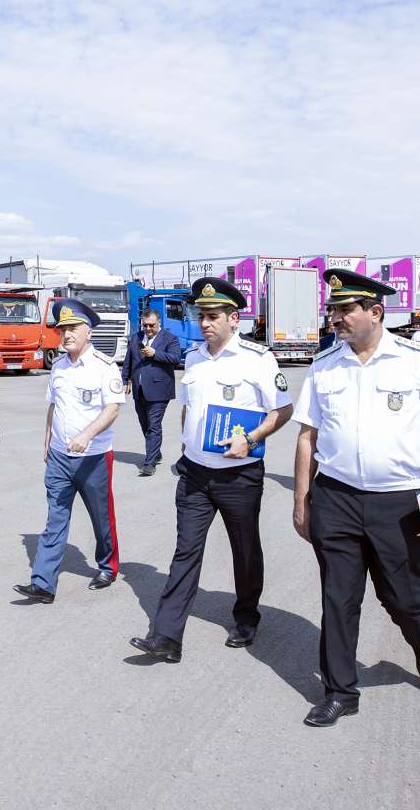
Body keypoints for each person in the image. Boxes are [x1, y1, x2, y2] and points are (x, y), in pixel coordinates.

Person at [292, 269, 420, 727]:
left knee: (401, 595)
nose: (335, 318)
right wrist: (302, 500)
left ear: (375, 311)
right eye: (332, 309)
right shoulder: (324, 365)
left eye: (345, 309)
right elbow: (307, 437)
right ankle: (340, 692)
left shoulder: (417, 361)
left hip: (398, 502)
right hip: (336, 498)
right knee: (338, 598)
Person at [129, 278, 293, 663]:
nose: (204, 322)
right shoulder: (194, 358)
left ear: (234, 319)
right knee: (185, 551)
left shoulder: (257, 359)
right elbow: (188, 408)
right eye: (201, 315)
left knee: (244, 550)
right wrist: (186, 447)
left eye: (213, 316)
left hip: (239, 475)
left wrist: (250, 439)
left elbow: (282, 409)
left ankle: (246, 617)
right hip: (195, 474)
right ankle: (166, 636)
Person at [14, 300, 125, 603]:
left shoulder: (104, 366)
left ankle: (108, 566)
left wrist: (87, 434)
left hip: (94, 458)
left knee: (101, 518)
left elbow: (113, 409)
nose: (66, 334)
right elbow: (54, 406)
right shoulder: (59, 366)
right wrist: (47, 440)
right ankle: (43, 583)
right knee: (55, 519)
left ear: (89, 332)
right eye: (63, 329)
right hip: (60, 458)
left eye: (73, 328)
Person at [121, 308, 182, 476]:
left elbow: (176, 358)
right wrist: (125, 380)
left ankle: (149, 463)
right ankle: (156, 452)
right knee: (145, 424)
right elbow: (128, 360)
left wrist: (156, 354)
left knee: (153, 425)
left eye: (151, 325)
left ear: (159, 323)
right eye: (145, 325)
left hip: (160, 389)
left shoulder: (170, 338)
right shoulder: (136, 338)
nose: (148, 329)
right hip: (139, 389)